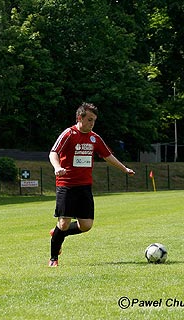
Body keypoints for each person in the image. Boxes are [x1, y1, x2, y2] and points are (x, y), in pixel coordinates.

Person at [48, 102, 135, 267]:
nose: (92, 123)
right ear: (79, 118)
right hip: (66, 184)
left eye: (94, 120)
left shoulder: (94, 137)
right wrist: (57, 167)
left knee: (86, 226)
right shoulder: (68, 134)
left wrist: (124, 169)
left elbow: (108, 156)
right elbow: (53, 153)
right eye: (89, 119)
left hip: (84, 186)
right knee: (64, 222)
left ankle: (59, 233)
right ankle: (53, 258)